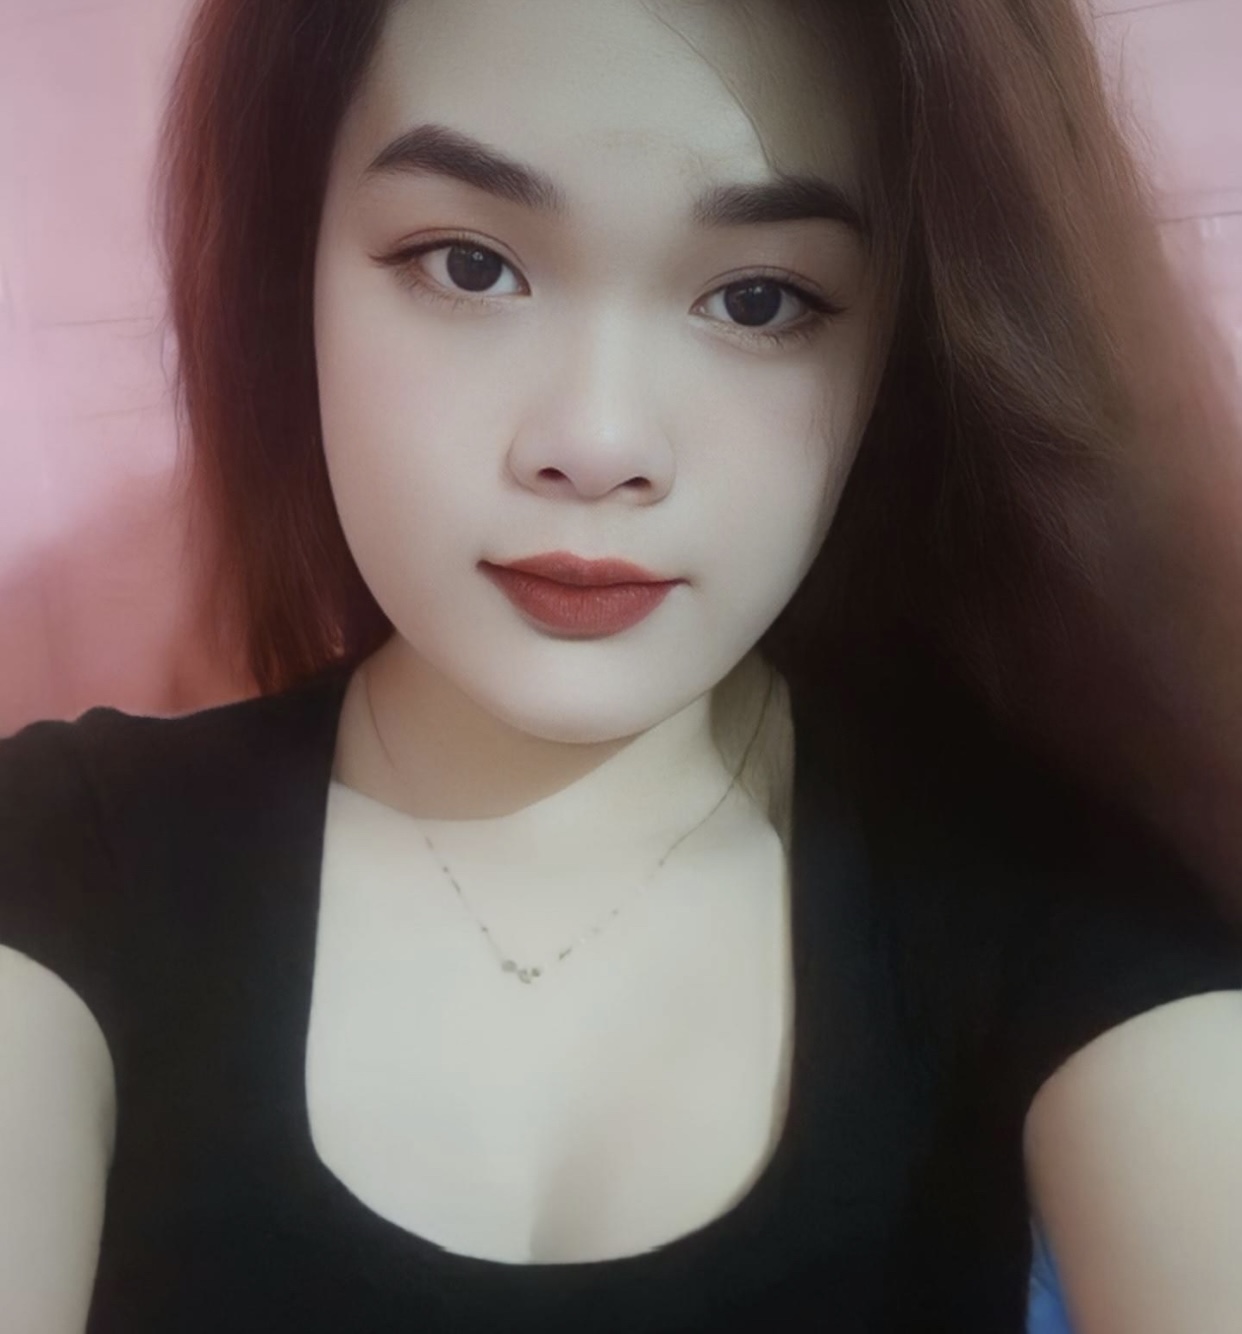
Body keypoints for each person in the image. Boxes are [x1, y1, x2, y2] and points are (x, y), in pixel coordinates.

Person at [1, 1, 1239, 1330]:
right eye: (468, 264)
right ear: (288, 271)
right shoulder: (66, 857)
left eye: (760, 298)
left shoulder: (1053, 902)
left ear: (902, 349)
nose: (596, 444)